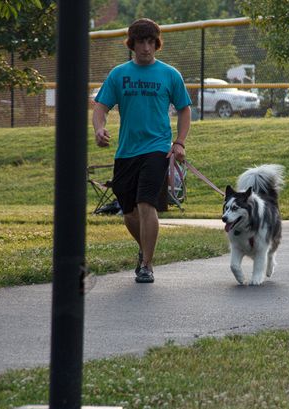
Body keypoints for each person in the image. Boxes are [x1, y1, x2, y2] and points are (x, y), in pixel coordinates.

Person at [92, 18, 192, 284]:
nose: (145, 48)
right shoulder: (119, 74)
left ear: (156, 44)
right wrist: (99, 129)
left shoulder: (170, 74)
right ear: (132, 44)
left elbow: (184, 109)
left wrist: (179, 142)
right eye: (140, 42)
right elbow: (100, 106)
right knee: (128, 211)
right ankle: (144, 247)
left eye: (150, 42)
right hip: (126, 151)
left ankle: (146, 264)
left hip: (157, 149)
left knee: (146, 203)